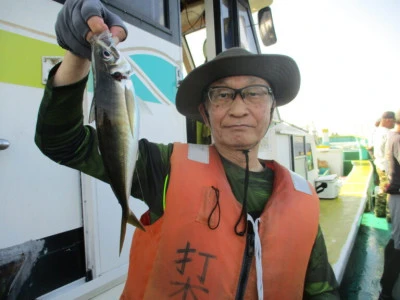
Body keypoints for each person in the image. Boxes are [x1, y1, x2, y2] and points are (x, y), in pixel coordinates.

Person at [35, 0, 340, 298]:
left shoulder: (304, 199)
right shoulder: (165, 167)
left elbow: (322, 291)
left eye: (254, 93)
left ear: (272, 107)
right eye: (222, 95)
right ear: (205, 112)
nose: (238, 109)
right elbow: (61, 141)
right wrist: (78, 54)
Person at [379, 110, 400, 300]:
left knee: (395, 239)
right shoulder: (398, 139)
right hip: (399, 196)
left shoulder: (392, 136)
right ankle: (387, 291)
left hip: (396, 194)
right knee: (398, 244)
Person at [373, 111, 396, 220]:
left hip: (379, 164)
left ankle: (379, 211)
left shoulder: (376, 132)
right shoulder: (388, 133)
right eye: (393, 121)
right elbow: (390, 152)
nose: (395, 124)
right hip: (386, 166)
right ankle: (389, 215)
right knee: (389, 190)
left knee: (383, 188)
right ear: (387, 120)